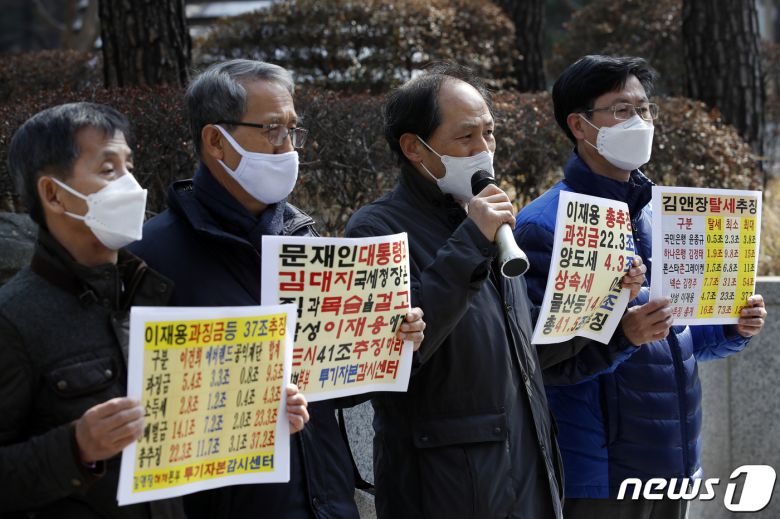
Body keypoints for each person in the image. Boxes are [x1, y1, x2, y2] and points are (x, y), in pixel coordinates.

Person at [344, 62, 648, 519]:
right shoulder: (377, 229)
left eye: (489, 133)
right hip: (444, 487)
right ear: (415, 148)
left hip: (524, 475)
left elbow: (527, 353)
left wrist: (605, 306)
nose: (484, 150)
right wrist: (469, 242)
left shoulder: (490, 226)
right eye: (466, 137)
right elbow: (392, 357)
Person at [129, 59, 425, 519]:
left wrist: (384, 339)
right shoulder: (153, 256)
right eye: (271, 129)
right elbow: (149, 414)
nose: (288, 147)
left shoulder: (303, 239)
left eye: (293, 130)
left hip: (327, 500)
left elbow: (331, 385)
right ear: (215, 141)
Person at [514, 55, 768, 519]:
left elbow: (679, 333)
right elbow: (539, 360)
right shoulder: (545, 226)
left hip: (672, 461)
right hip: (599, 469)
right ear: (580, 125)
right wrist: (622, 332)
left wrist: (732, 327)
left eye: (645, 109)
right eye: (622, 110)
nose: (640, 121)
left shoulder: (658, 215)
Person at [0, 102, 188, 518]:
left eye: (129, 166)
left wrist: (259, 411)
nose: (132, 186)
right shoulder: (13, 319)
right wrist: (75, 449)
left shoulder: (146, 292)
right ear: (52, 193)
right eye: (108, 170)